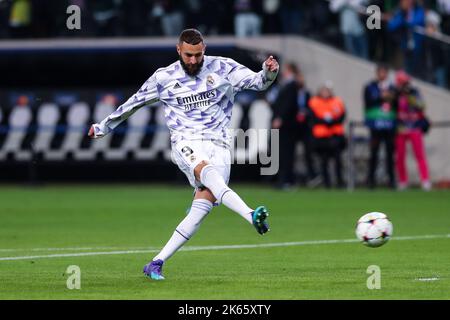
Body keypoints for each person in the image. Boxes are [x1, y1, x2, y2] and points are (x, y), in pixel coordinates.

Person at [88, 29, 279, 280]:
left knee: (201, 208)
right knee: (207, 173)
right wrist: (103, 126)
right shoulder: (164, 78)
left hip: (219, 144)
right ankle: (250, 214)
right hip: (185, 142)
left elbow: (258, 82)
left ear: (204, 50)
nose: (193, 61)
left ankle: (156, 263)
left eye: (198, 55)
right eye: (188, 55)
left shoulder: (223, 68)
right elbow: (134, 102)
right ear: (179, 50)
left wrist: (269, 72)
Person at [393, 70, 431, 191]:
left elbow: (421, 106)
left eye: (404, 83)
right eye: (401, 83)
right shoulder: (396, 94)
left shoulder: (414, 92)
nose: (403, 85)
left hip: (414, 127)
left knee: (420, 155)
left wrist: (409, 97)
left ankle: (425, 180)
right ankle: (403, 181)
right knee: (400, 157)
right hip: (401, 129)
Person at [363, 64, 397, 189]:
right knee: (374, 153)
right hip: (375, 125)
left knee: (390, 154)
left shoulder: (393, 88)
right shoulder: (370, 87)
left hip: (389, 125)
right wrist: (380, 97)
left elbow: (397, 104)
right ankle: (371, 181)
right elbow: (367, 103)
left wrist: (392, 97)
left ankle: (391, 181)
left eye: (384, 72)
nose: (382, 74)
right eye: (380, 72)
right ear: (377, 73)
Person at [309, 82, 346, 188]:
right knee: (324, 161)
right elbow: (312, 118)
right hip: (321, 136)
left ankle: (339, 181)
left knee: (338, 160)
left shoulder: (337, 101)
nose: (326, 93)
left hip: (335, 135)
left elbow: (341, 116)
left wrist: (331, 122)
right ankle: (327, 183)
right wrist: (325, 121)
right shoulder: (314, 102)